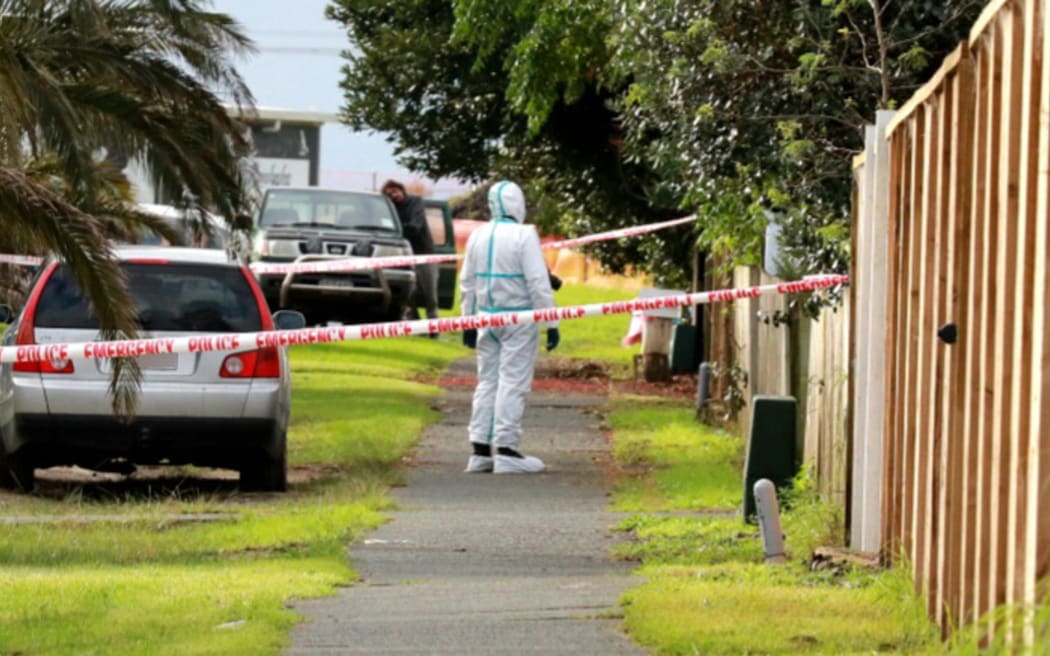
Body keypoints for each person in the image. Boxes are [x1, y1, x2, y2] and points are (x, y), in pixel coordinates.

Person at [460, 181, 560, 474]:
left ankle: (479, 450)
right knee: (513, 382)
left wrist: (467, 319)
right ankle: (507, 449)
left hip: (485, 318)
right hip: (519, 319)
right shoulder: (524, 235)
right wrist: (551, 321)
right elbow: (537, 282)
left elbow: (467, 282)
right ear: (518, 203)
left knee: (487, 381)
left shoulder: (478, 234)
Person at [380, 180, 439, 327]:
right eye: (389, 194)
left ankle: (434, 327)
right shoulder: (390, 208)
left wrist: (395, 229)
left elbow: (415, 227)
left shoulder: (416, 202)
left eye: (395, 191)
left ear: (402, 189)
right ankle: (416, 326)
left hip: (424, 253)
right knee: (408, 294)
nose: (394, 195)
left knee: (429, 294)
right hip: (404, 255)